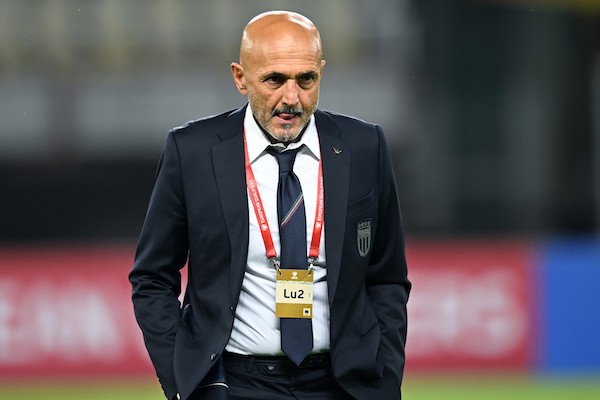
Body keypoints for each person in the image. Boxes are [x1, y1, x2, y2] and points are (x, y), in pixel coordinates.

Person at [129, 10, 410, 400]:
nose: (291, 98)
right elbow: (152, 278)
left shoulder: (365, 147)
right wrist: (182, 380)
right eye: (274, 79)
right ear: (240, 77)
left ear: (321, 73)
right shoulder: (191, 151)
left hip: (342, 385)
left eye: (306, 79)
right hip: (236, 384)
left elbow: (387, 278)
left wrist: (386, 377)